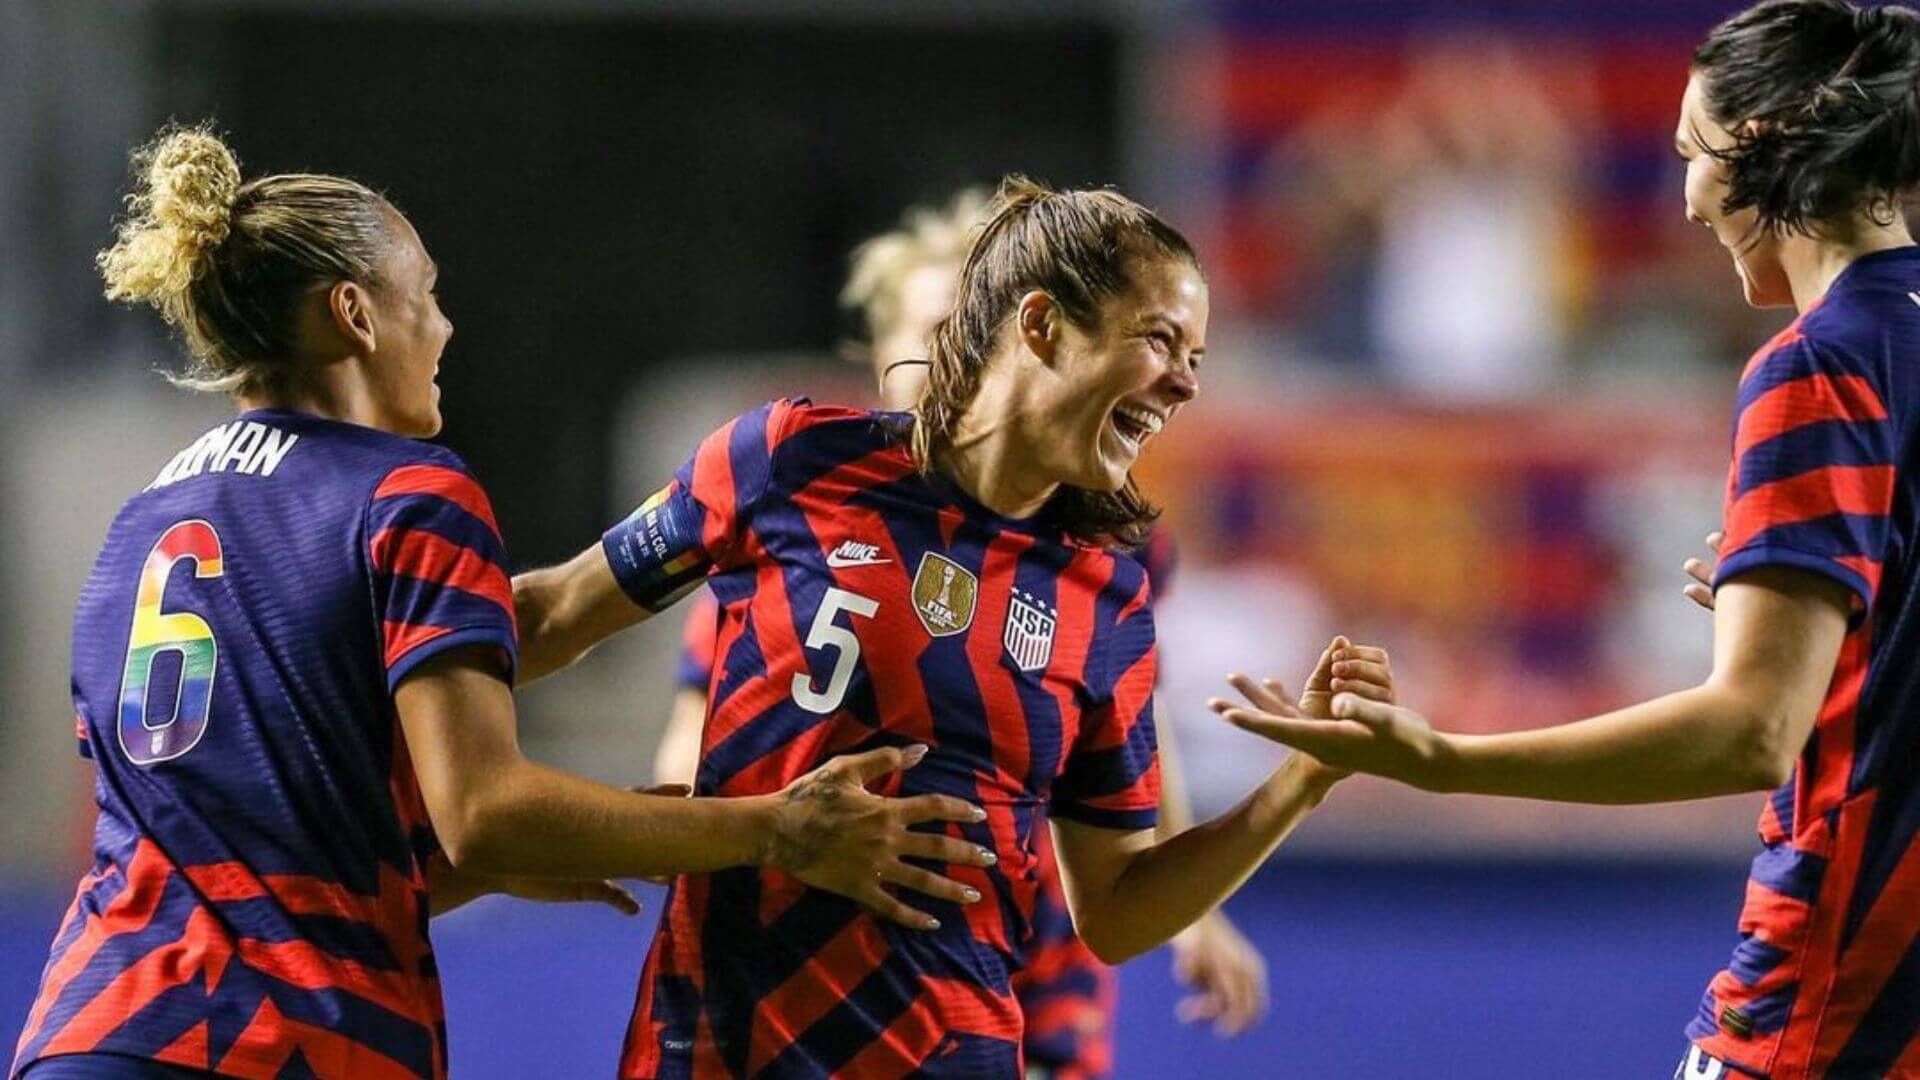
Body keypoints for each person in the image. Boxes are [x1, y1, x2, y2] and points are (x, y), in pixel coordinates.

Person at [10, 126, 989, 1080]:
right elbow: (485, 809)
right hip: (278, 1038)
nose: (442, 328)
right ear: (356, 314)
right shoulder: (404, 492)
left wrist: (529, 850)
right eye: (426, 296)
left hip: (91, 1021)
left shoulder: (141, 525)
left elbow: (256, 852)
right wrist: (773, 827)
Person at [511, 176, 1395, 1077]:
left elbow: (1119, 910)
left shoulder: (1110, 597)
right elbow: (550, 616)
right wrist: (383, 672)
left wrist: (1300, 782)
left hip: (945, 1053)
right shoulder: (790, 460)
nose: (1183, 384)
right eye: (1160, 340)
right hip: (717, 1043)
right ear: (1042, 325)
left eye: (1197, 358)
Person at [1213, 3, 1920, 1076]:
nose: (1684, 199)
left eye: (1693, 154)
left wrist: (1442, 763)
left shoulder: (1813, 367)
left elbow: (1752, 733)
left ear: (1766, 146)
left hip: (1832, 1010)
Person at [650, 192, 1270, 1079]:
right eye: (933, 325)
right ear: (877, 350)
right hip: (799, 971)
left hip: (1020, 950)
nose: (958, 348)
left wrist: (1197, 905)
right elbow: (683, 742)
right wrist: (729, 838)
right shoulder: (795, 516)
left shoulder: (1102, 563)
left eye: (963, 322)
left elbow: (1136, 715)